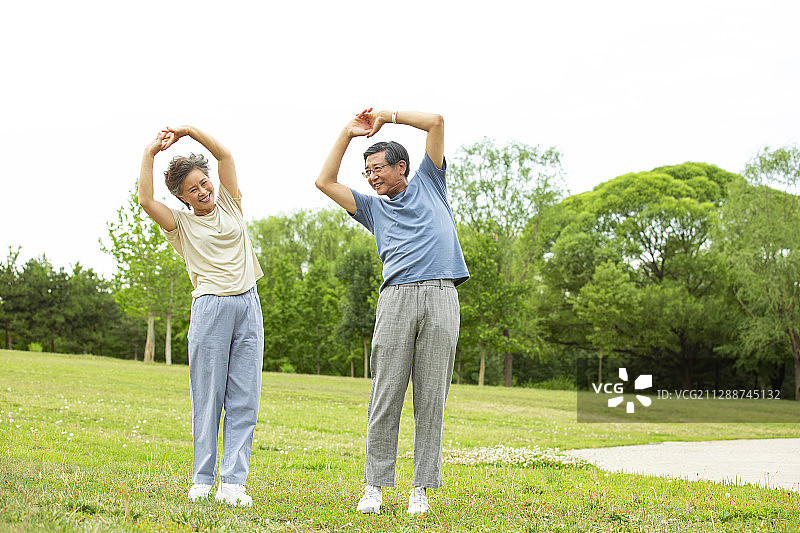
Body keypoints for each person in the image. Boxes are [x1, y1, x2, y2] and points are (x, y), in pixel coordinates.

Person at [315, 109, 469, 515]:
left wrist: (389, 115)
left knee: (431, 398)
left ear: (401, 166)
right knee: (386, 396)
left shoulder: (430, 183)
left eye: (377, 168)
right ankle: (375, 486)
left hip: (441, 294)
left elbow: (436, 122)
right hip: (396, 299)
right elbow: (324, 181)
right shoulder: (371, 208)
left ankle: (421, 489)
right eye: (366, 172)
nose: (371, 177)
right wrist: (347, 133)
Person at [138, 126, 264, 507]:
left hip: (248, 305)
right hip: (211, 308)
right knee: (208, 397)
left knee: (245, 397)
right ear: (181, 198)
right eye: (193, 190)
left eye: (203, 183)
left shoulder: (229, 203)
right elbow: (145, 201)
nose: (203, 192)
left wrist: (190, 131)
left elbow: (226, 156)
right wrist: (149, 152)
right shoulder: (181, 224)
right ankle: (202, 479)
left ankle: (233, 483)